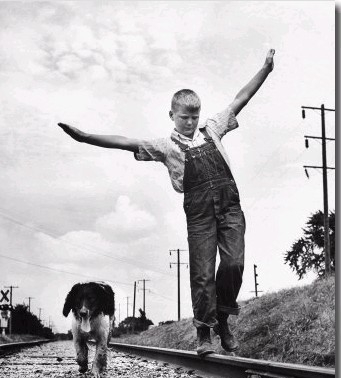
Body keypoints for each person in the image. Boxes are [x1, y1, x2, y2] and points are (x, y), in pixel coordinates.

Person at [58, 49, 275, 357]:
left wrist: (265, 69)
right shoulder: (164, 146)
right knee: (201, 272)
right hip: (198, 212)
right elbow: (125, 141)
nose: (189, 122)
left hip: (229, 206)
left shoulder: (212, 128)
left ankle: (223, 318)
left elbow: (241, 98)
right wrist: (85, 137)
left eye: (194, 116)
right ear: (172, 115)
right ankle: (204, 332)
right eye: (184, 117)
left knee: (233, 264)